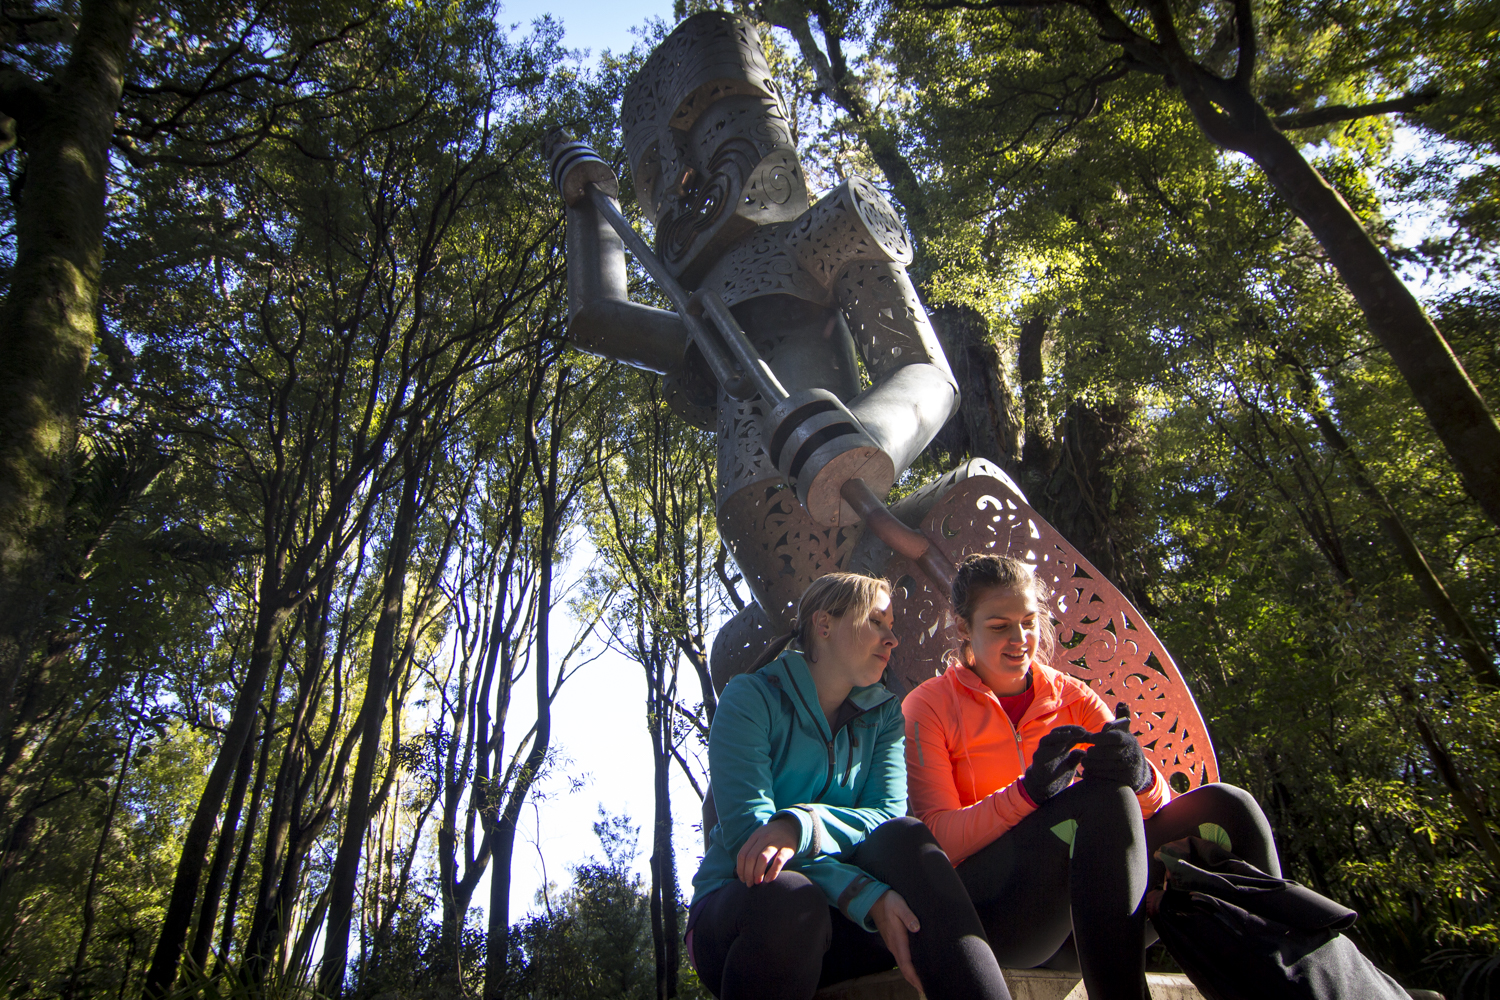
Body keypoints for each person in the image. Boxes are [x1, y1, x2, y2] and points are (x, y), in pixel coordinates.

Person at [903, 554, 1283, 1000]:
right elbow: (938, 840)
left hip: (1094, 919)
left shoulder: (1072, 696)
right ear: (964, 628)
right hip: (1000, 917)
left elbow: (1155, 813)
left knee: (1226, 806)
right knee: (1098, 802)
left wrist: (1142, 779)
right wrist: (1027, 794)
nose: (1020, 639)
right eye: (1000, 626)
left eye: (1029, 622)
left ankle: (1287, 978)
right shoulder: (928, 705)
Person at [687, 572, 1015, 1000]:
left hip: (846, 923)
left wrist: (803, 827)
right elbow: (752, 844)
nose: (891, 639)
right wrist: (864, 894)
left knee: (906, 837)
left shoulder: (884, 716)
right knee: (791, 896)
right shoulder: (750, 698)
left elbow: (886, 815)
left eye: (891, 626)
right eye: (876, 622)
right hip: (747, 917)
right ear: (824, 625)